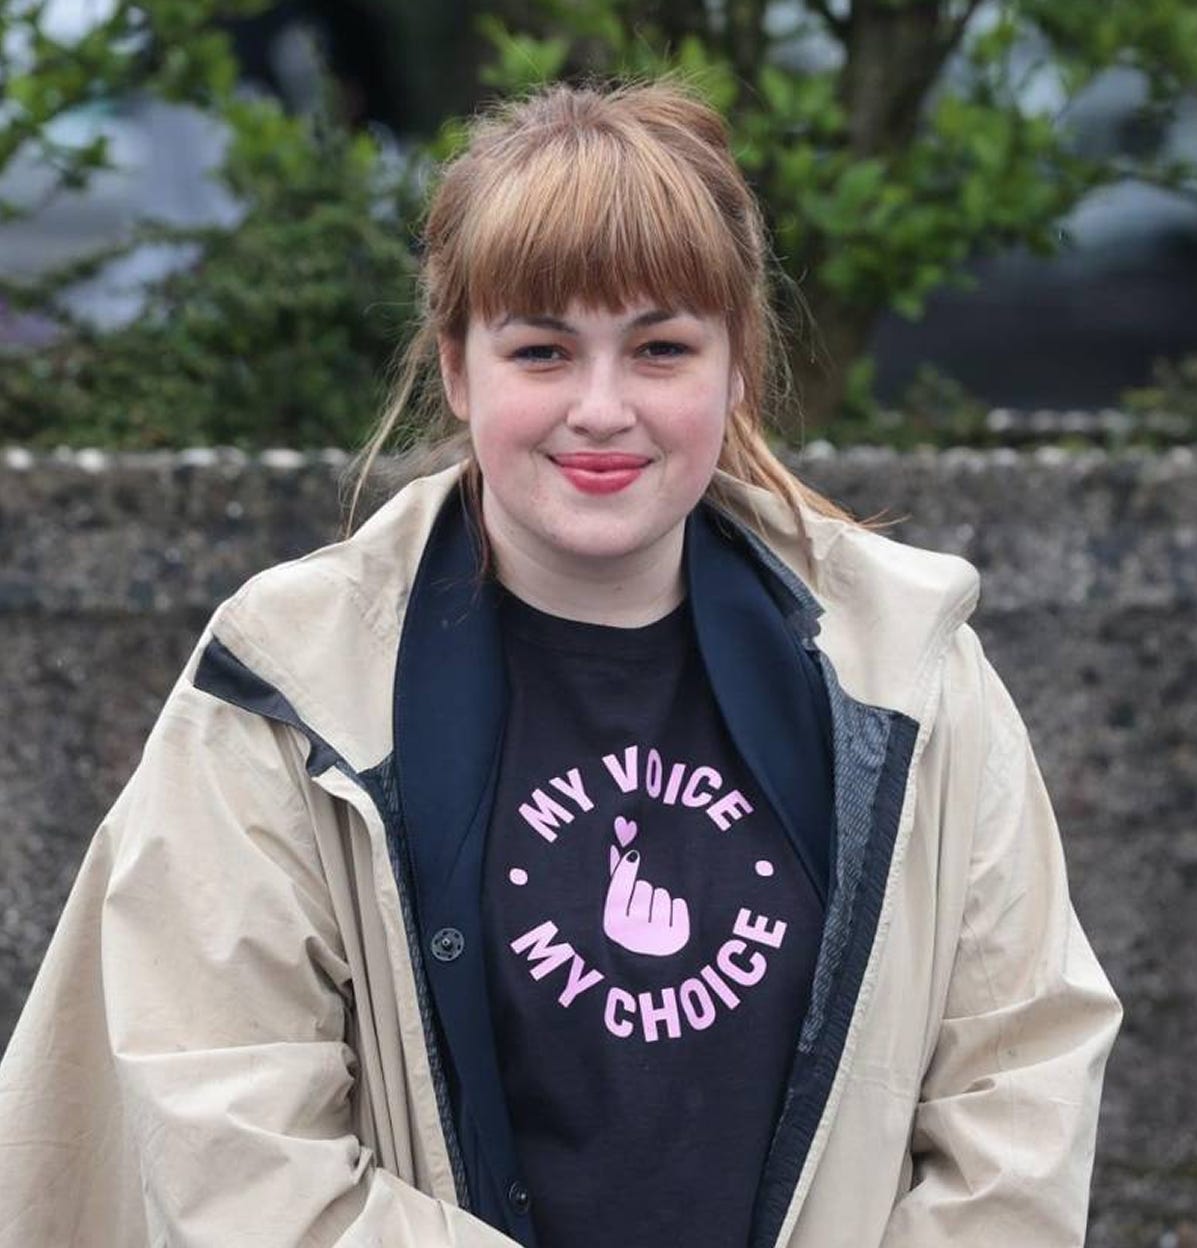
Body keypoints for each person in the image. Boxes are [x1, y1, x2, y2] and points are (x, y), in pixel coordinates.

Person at [0, 81, 1120, 1248]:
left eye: (660, 348)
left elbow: (1019, 1078)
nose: (601, 408)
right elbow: (231, 1146)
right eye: (541, 349)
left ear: (735, 365)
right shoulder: (284, 691)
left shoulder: (912, 675)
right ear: (458, 367)